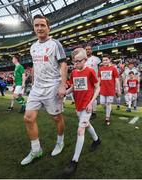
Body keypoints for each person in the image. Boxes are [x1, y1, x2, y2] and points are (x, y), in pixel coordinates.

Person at [20, 15, 67, 165]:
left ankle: (60, 141)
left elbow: (64, 65)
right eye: (36, 25)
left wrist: (62, 85)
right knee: (28, 118)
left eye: (42, 25)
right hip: (37, 88)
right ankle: (36, 150)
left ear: (48, 27)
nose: (39, 28)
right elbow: (35, 66)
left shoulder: (55, 44)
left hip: (52, 86)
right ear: (34, 28)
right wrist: (33, 82)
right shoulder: (33, 47)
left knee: (56, 118)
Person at [63, 48, 100, 175]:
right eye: (74, 61)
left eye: (79, 61)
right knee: (87, 124)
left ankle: (74, 161)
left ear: (85, 60)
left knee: (80, 130)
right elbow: (73, 87)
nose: (76, 64)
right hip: (78, 106)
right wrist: (65, 93)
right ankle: (96, 140)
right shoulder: (73, 72)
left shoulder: (90, 71)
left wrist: (91, 102)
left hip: (87, 106)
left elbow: (97, 87)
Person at [98, 54, 121, 126]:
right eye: (103, 60)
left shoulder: (113, 68)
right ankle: (109, 110)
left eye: (106, 60)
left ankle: (107, 118)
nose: (105, 61)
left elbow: (117, 80)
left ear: (109, 60)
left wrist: (118, 89)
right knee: (102, 103)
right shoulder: (100, 68)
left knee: (108, 104)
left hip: (111, 90)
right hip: (102, 90)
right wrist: (97, 88)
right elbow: (99, 79)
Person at [85, 45, 101, 119]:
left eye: (89, 49)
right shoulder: (83, 59)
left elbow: (99, 69)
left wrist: (99, 79)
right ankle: (88, 110)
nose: (88, 50)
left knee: (93, 96)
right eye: (86, 49)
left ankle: (94, 112)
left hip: (94, 80)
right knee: (87, 96)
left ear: (91, 50)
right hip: (85, 80)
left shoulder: (96, 59)